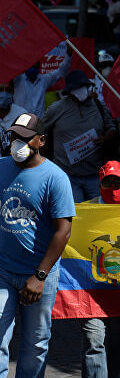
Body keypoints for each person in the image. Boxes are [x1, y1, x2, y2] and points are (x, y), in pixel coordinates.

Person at [0, 113, 75, 378]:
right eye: (14, 137)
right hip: (0, 269)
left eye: (26, 139)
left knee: (36, 341)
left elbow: (63, 231)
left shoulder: (56, 178)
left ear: (41, 141)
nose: (18, 143)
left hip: (38, 274)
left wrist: (39, 276)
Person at [43, 70, 117, 202]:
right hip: (67, 176)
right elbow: (41, 130)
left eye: (82, 86)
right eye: (76, 88)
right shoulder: (56, 109)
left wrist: (105, 138)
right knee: (76, 215)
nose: (80, 91)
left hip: (95, 175)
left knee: (97, 214)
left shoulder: (99, 106)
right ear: (69, 91)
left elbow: (111, 128)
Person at [82, 161, 120, 378]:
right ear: (99, 185)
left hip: (118, 291)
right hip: (92, 290)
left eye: (118, 181)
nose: (113, 186)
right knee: (93, 341)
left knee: (117, 342)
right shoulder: (85, 213)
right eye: (109, 182)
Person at [13, 42, 71, 117]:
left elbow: (60, 71)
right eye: (31, 64)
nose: (34, 66)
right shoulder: (18, 79)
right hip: (20, 122)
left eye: (36, 64)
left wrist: (68, 56)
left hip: (38, 123)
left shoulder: (44, 79)